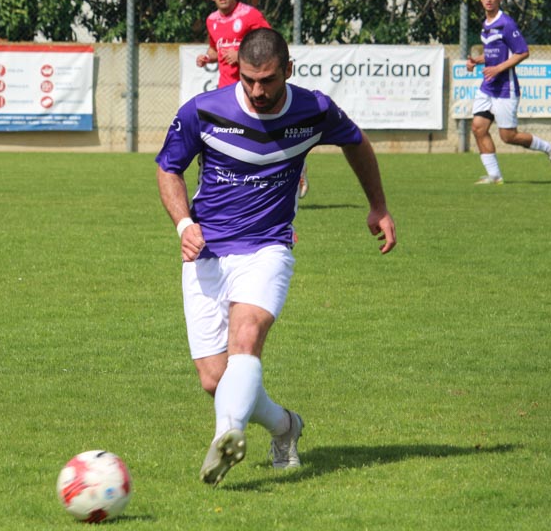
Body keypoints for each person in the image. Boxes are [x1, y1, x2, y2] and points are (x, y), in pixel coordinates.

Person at [157, 28, 396, 486]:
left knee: (247, 336)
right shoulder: (203, 111)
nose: (257, 90)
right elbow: (168, 168)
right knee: (215, 380)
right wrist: (184, 224)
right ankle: (285, 426)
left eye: (267, 80)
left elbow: (356, 142)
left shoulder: (314, 110)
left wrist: (378, 205)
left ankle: (225, 437)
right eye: (248, 80)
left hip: (268, 247)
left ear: (288, 70)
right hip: (206, 253)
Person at [195, 0, 309, 198]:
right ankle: (211, 187)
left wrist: (241, 54)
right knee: (211, 139)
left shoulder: (250, 15)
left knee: (268, 137)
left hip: (253, 90)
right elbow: (216, 49)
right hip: (226, 91)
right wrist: (207, 57)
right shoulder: (211, 20)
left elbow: (270, 46)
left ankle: (297, 169)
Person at [466, 0, 551, 184]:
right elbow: (494, 53)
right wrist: (477, 61)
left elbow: (522, 52)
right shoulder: (486, 24)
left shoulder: (506, 23)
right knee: (478, 128)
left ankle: (550, 148)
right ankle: (494, 176)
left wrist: (497, 69)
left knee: (508, 136)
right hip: (488, 87)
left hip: (505, 88)